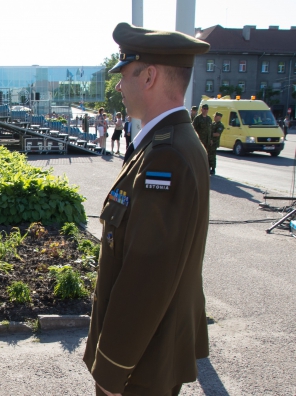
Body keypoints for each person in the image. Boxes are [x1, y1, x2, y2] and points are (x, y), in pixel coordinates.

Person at [83, 22, 210, 396]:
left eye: (124, 74)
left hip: (139, 365)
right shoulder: (169, 143)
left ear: (150, 75)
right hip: (148, 355)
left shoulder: (165, 156)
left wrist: (111, 370)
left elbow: (146, 276)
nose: (118, 86)